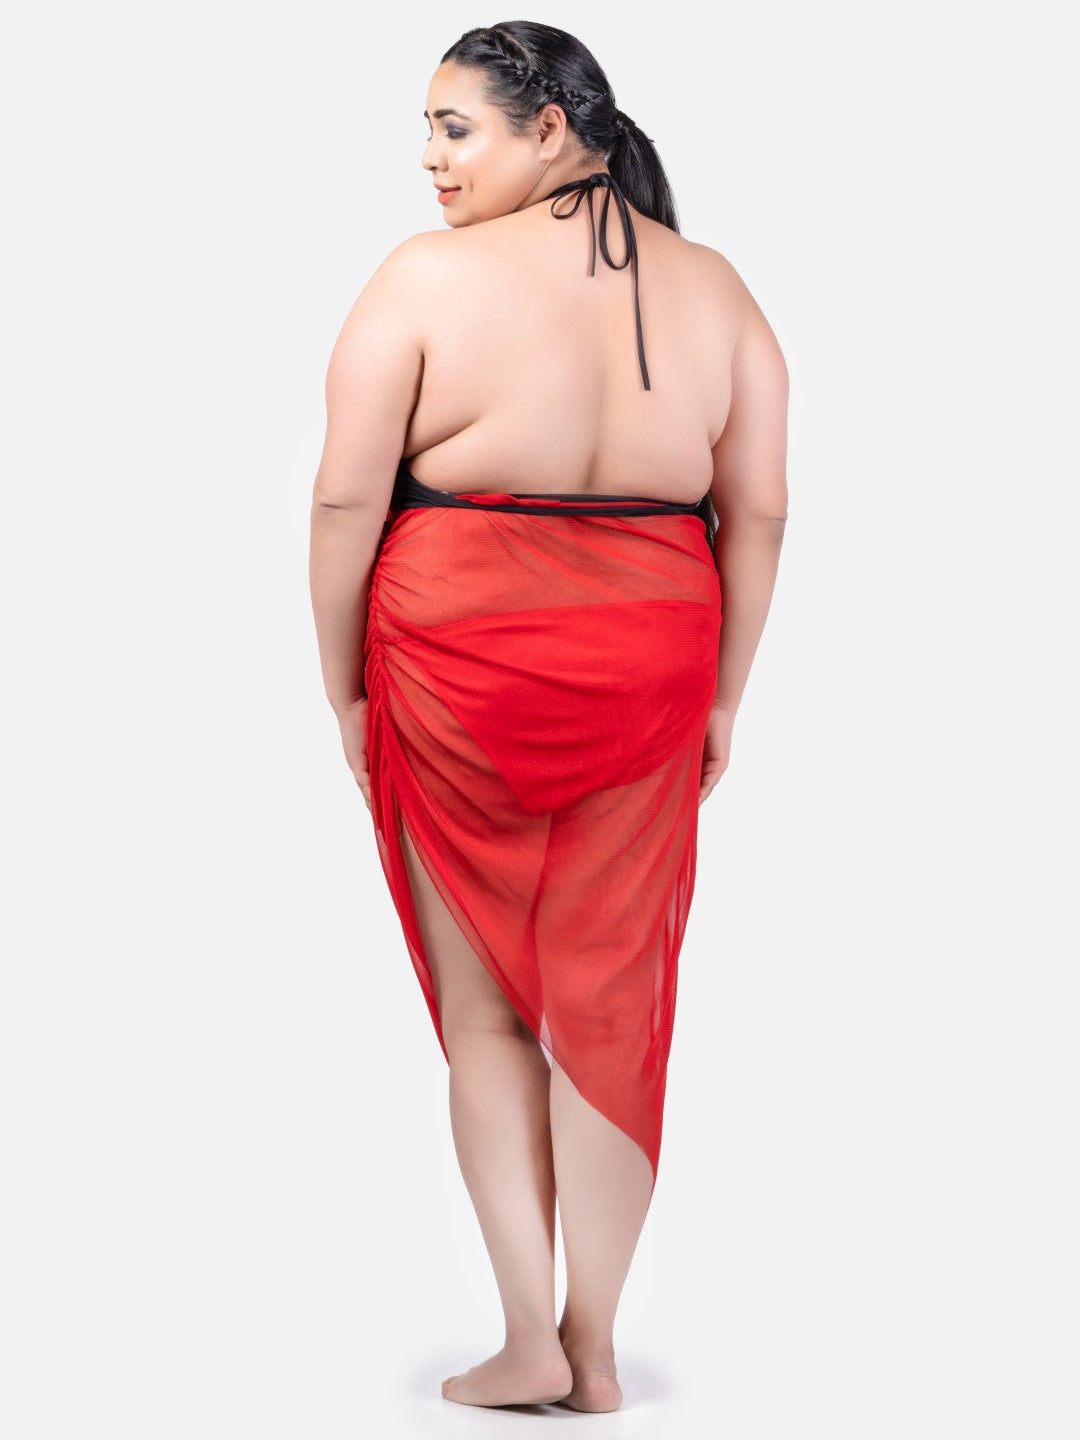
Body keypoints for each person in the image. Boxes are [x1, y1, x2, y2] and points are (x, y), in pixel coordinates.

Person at [308, 20, 788, 1415]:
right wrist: (724, 698)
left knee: (489, 1018)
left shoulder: (425, 278)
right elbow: (759, 511)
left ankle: (529, 1337)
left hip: (457, 662)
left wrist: (342, 684)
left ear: (552, 129)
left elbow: (344, 497)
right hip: (653, 659)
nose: (430, 157)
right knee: (613, 1005)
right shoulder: (716, 286)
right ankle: (595, 1346)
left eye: (455, 126)